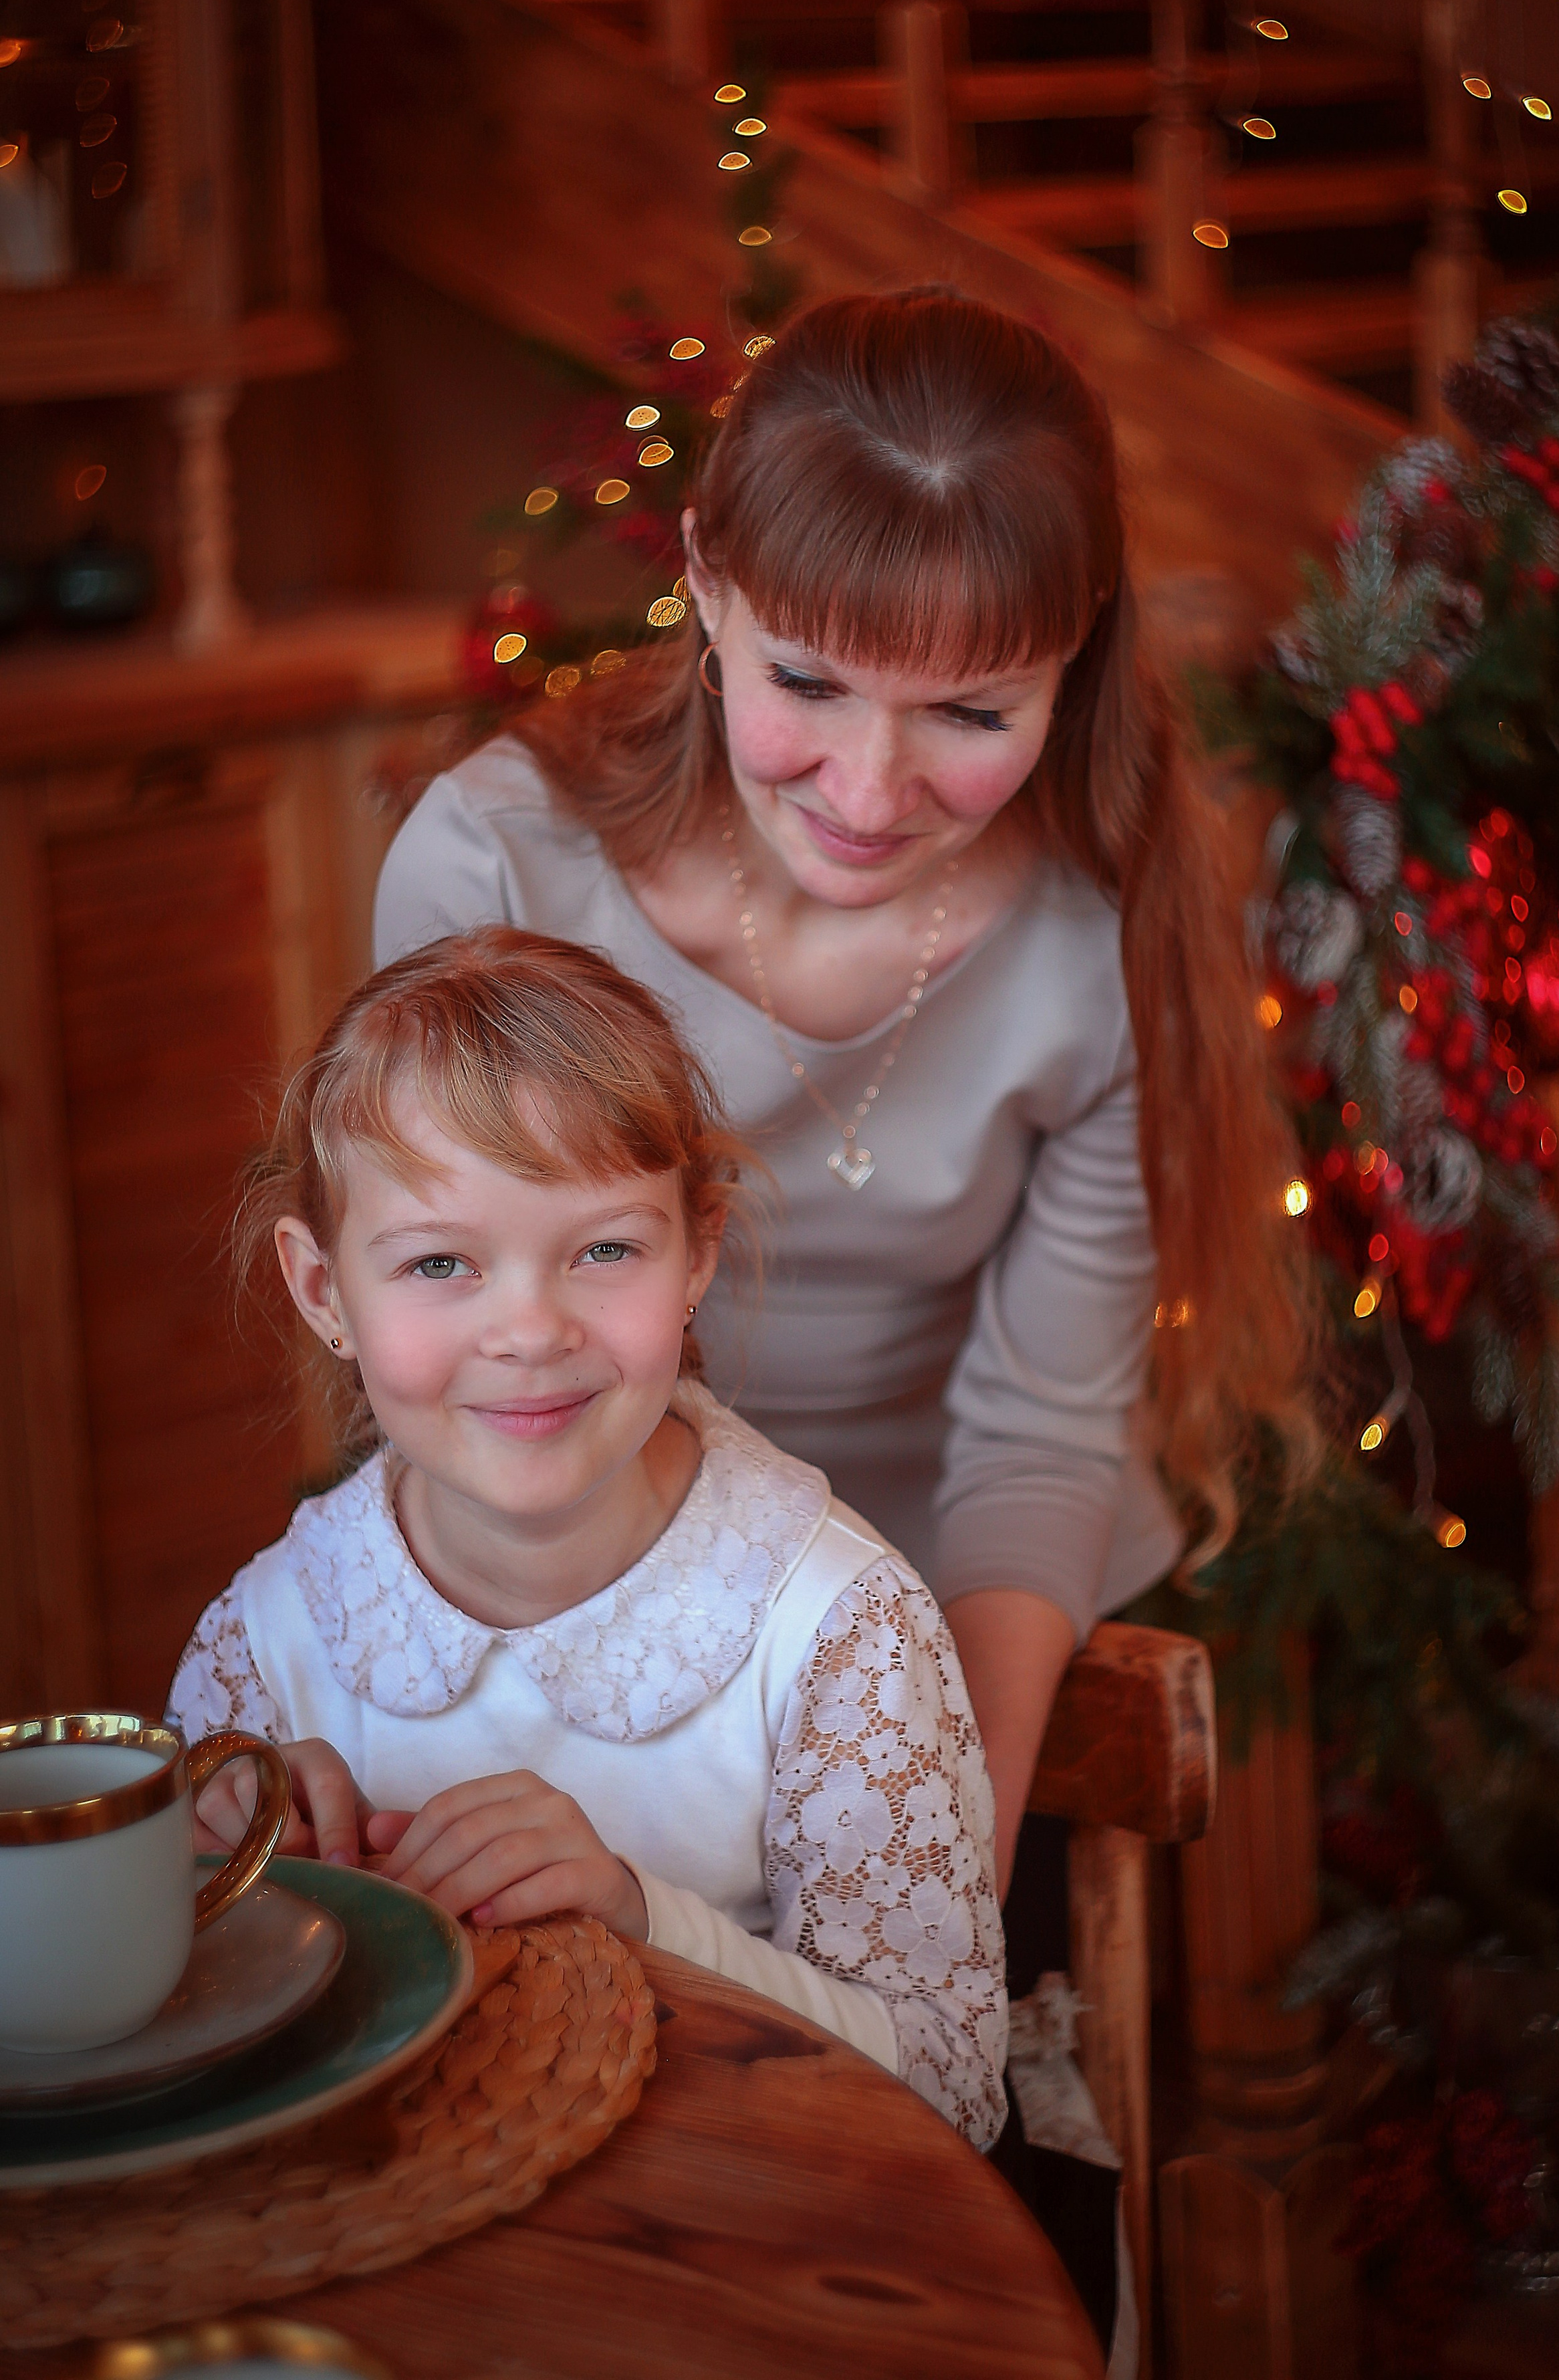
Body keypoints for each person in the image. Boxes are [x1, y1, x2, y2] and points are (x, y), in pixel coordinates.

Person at [374, 289, 1312, 1893]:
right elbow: (462, 1368)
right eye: (804, 685)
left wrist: (927, 1854)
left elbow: (1035, 1442)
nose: (871, 797)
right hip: (577, 1615)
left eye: (967, 713)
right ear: (704, 583)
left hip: (978, 1646)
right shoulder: (493, 869)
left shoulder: (1106, 934)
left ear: (1072, 654)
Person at [170, 928, 1007, 2149]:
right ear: (323, 1291)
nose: (530, 1329)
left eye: (604, 1249)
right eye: (442, 1262)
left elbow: (951, 2094)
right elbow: (185, 2058)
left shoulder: (833, 1630)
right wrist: (244, 1893)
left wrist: (643, 1918)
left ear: (695, 1255)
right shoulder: (268, 1645)